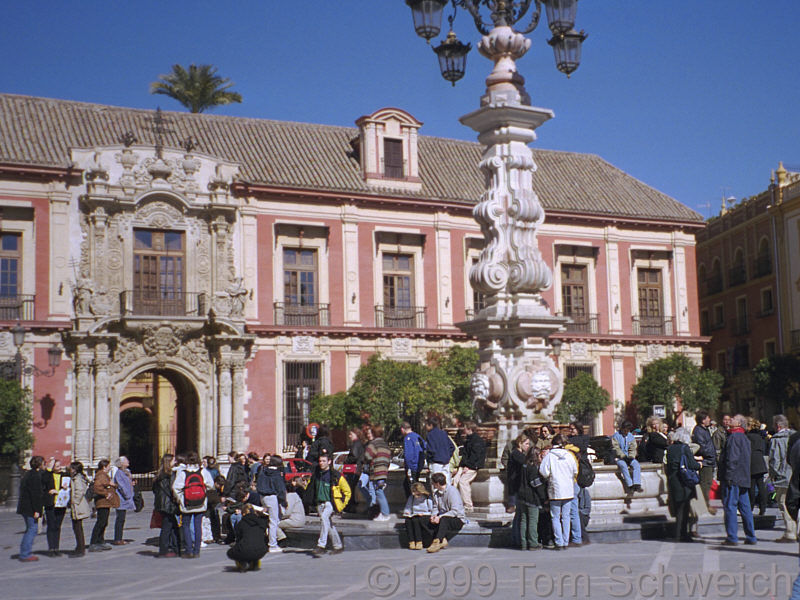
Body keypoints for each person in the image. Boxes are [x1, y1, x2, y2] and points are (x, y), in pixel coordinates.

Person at [719, 414, 757, 546]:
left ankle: (732, 537)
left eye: (733, 419)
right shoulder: (744, 438)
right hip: (744, 477)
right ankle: (751, 536)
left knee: (730, 506)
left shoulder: (734, 437)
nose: (730, 420)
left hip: (734, 477)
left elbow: (732, 459)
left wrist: (728, 476)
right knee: (745, 508)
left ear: (739, 423)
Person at [306, 452, 351, 555]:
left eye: (323, 461)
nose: (321, 463)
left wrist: (341, 505)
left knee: (324, 518)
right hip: (320, 503)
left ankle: (321, 545)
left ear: (329, 462)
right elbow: (311, 488)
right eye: (320, 461)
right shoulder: (316, 475)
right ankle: (338, 546)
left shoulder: (335, 475)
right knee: (328, 524)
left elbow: (347, 491)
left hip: (330, 503)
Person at [539, 434, 578, 551]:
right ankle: (566, 541)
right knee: (566, 516)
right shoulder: (569, 455)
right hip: (568, 489)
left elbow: (543, 471)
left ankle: (559, 542)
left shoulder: (550, 456)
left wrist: (550, 477)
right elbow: (575, 470)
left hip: (555, 489)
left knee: (555, 517)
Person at [172, 451, 214, 558]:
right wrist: (203, 492)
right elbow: (211, 485)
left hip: (187, 503)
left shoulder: (183, 473)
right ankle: (197, 551)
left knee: (185, 525)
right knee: (198, 526)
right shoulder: (203, 471)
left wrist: (181, 498)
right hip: (200, 503)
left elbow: (176, 487)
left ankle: (189, 550)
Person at [666, 428, 701, 542]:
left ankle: (677, 533)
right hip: (683, 481)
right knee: (684, 509)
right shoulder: (684, 448)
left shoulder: (670, 449)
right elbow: (691, 464)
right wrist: (699, 464)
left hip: (673, 480)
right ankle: (683, 534)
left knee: (678, 509)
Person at [769, 414, 796, 543]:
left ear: (778, 426)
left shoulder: (777, 439)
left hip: (784, 478)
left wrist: (774, 475)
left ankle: (791, 532)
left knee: (784, 504)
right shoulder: (796, 437)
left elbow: (775, 460)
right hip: (796, 475)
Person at [426, 472, 467, 553]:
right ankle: (441, 539)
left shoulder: (452, 491)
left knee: (444, 519)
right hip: (442, 516)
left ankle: (437, 541)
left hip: (456, 518)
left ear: (437, 483)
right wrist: (433, 516)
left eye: (433, 483)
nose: (432, 485)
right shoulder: (436, 493)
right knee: (426, 520)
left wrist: (440, 517)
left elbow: (455, 511)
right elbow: (435, 507)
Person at [516, 447, 546, 551]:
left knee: (524, 520)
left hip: (521, 495)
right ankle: (533, 543)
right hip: (531, 497)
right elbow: (535, 483)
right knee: (533, 520)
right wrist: (543, 496)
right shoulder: (532, 468)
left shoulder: (523, 465)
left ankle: (523, 543)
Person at [256, 454, 286, 553]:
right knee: (274, 521)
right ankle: (272, 544)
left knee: (270, 520)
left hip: (263, 496)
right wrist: (283, 501)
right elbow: (281, 489)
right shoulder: (276, 473)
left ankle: (270, 539)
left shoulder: (263, 471)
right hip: (272, 496)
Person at [506, 434, 533, 548]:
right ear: (519, 444)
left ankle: (517, 539)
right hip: (516, 487)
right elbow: (526, 464)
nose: (528, 446)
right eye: (526, 444)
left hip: (516, 486)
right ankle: (517, 539)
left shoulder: (518, 454)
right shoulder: (517, 454)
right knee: (519, 516)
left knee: (519, 515)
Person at [453, 421, 486, 512]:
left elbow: (475, 456)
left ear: (469, 429)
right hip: (466, 465)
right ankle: (456, 503)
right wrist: (461, 467)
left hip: (473, 466)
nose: (464, 430)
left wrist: (467, 466)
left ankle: (468, 505)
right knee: (454, 481)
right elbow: (466, 455)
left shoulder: (476, 441)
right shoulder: (469, 439)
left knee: (463, 482)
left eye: (465, 428)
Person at [17, 455, 44, 562]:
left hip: (25, 507)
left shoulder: (28, 474)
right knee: (32, 529)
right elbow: (35, 495)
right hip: (30, 508)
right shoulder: (35, 477)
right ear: (40, 464)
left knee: (30, 529)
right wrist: (37, 510)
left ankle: (25, 552)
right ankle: (25, 554)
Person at [227, 503, 269, 572]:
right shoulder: (261, 522)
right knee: (253, 545)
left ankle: (242, 562)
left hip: (245, 550)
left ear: (243, 514)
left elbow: (239, 540)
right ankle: (255, 562)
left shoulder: (241, 523)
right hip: (261, 550)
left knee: (231, 552)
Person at [691, 410, 717, 515]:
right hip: (705, 461)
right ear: (703, 420)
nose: (709, 419)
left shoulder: (704, 430)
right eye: (707, 418)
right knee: (705, 484)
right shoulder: (698, 431)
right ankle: (705, 505)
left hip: (709, 460)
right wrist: (710, 454)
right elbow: (701, 447)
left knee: (708, 483)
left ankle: (706, 504)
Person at [89, 459, 118, 551]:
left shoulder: (104, 475)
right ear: (104, 467)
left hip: (105, 503)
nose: (110, 467)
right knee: (101, 522)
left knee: (104, 522)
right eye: (109, 466)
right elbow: (97, 487)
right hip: (102, 502)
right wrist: (106, 493)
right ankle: (93, 542)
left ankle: (100, 541)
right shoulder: (101, 475)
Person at [153, 453, 178, 557]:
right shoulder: (170, 475)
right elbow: (172, 490)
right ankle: (163, 550)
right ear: (169, 462)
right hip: (168, 505)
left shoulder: (159, 475)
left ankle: (174, 547)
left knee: (172, 526)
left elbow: (154, 490)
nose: (175, 462)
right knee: (167, 528)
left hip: (161, 504)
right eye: (173, 460)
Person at [364, 425, 392, 521]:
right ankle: (381, 513)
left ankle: (385, 513)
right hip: (384, 471)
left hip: (376, 471)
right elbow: (388, 459)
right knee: (379, 491)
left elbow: (367, 456)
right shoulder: (385, 445)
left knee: (378, 492)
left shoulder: (373, 444)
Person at [42, 457, 68, 556]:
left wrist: (65, 488)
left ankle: (56, 548)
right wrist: (50, 491)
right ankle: (51, 548)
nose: (59, 467)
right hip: (51, 503)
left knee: (57, 526)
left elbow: (68, 485)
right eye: (57, 466)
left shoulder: (64, 475)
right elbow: (43, 481)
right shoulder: (48, 475)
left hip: (61, 504)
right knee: (51, 526)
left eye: (60, 465)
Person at [67, 461, 91, 557]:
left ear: (75, 469)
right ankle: (79, 547)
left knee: (77, 528)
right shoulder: (79, 477)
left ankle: (81, 549)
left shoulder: (77, 479)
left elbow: (79, 491)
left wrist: (74, 501)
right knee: (77, 527)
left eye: (71, 468)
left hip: (78, 506)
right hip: (79, 504)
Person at [746, 417, 768, 516]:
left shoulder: (747, 436)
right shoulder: (760, 436)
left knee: (751, 485)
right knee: (761, 484)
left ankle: (750, 507)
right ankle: (763, 507)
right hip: (760, 459)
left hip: (751, 460)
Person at [612, 421, 642, 492]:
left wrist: (631, 456)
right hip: (620, 458)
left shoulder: (630, 436)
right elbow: (616, 447)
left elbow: (633, 447)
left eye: (628, 430)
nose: (626, 432)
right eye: (625, 430)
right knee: (623, 466)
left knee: (636, 465)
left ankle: (637, 484)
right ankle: (630, 484)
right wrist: (622, 456)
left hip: (629, 457)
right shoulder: (616, 436)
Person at [425, 416, 455, 486]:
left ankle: (437, 497)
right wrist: (447, 455)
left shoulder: (430, 435)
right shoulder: (443, 433)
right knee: (447, 483)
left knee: (436, 484)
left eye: (426, 425)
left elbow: (431, 450)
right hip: (446, 462)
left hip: (436, 462)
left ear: (431, 425)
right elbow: (452, 447)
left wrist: (429, 460)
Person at [403, 482, 433, 550]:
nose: (414, 494)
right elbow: (407, 508)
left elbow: (432, 510)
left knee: (416, 521)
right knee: (408, 521)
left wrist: (423, 514)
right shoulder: (411, 498)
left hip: (425, 515)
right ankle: (412, 541)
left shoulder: (427, 498)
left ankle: (419, 541)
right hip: (414, 514)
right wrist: (407, 513)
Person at [112, 456, 135, 545]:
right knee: (120, 519)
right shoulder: (119, 473)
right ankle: (118, 538)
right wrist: (127, 495)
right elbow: (121, 486)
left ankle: (119, 538)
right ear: (121, 463)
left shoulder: (127, 472)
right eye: (126, 460)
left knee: (122, 519)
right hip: (121, 499)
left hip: (126, 498)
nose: (128, 461)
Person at [344, 428, 368, 513]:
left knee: (350, 488)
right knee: (353, 488)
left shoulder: (356, 444)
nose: (349, 436)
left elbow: (354, 456)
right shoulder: (360, 444)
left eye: (351, 434)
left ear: (356, 434)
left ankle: (350, 506)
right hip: (358, 468)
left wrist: (346, 460)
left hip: (353, 469)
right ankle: (352, 505)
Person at [401, 421, 426, 497]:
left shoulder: (407, 438)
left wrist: (409, 466)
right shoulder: (418, 436)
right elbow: (424, 448)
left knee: (411, 487)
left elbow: (409, 454)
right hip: (418, 466)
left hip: (412, 467)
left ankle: (413, 503)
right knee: (414, 484)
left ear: (402, 429)